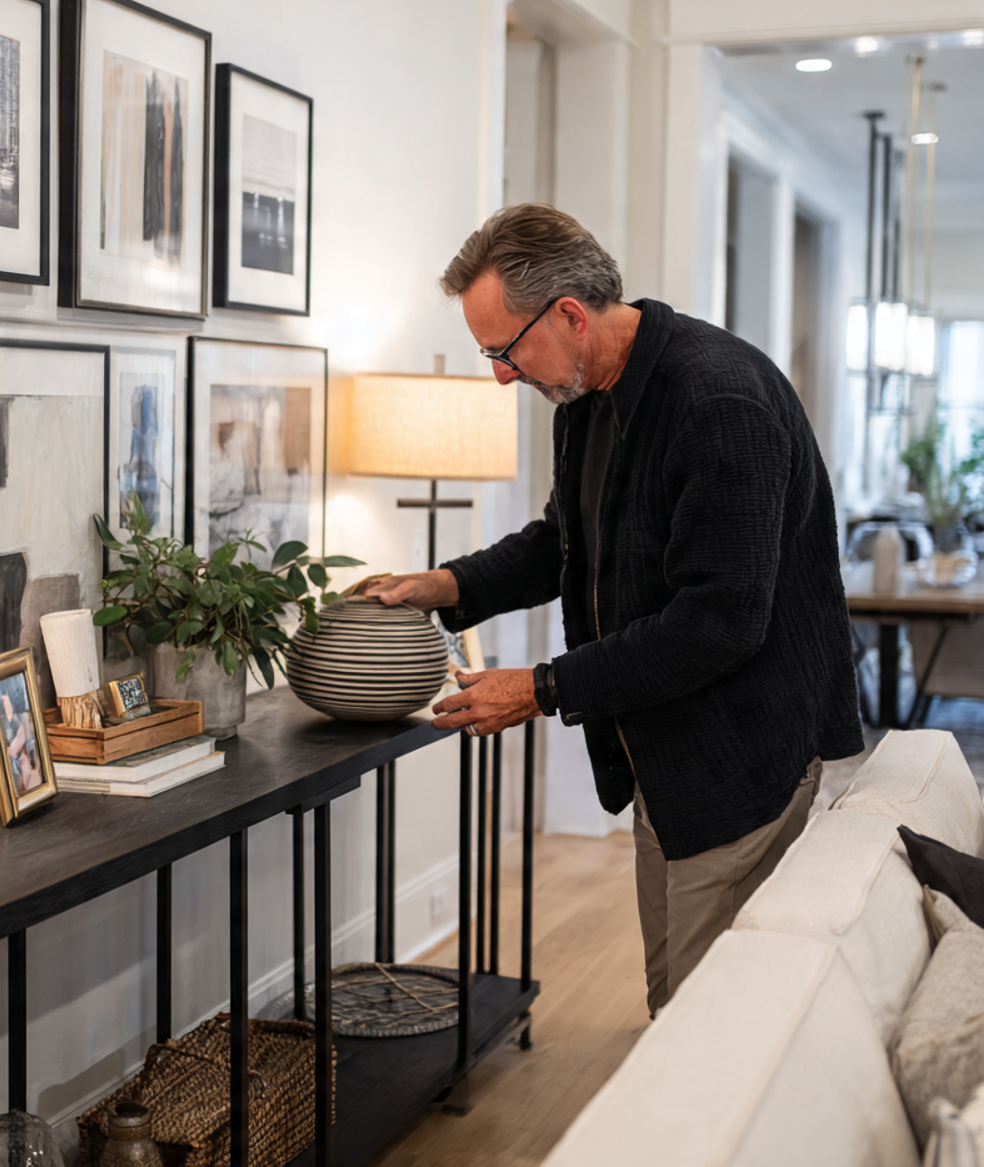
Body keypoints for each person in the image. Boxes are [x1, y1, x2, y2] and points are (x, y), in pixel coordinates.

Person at [366, 204, 862, 1012]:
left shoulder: (718, 401)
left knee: (706, 1024)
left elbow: (718, 622)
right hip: (660, 752)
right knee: (672, 997)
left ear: (568, 314)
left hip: (739, 758)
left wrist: (542, 687)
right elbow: (565, 541)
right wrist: (447, 586)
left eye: (502, 350)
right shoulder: (589, 397)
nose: (498, 374)